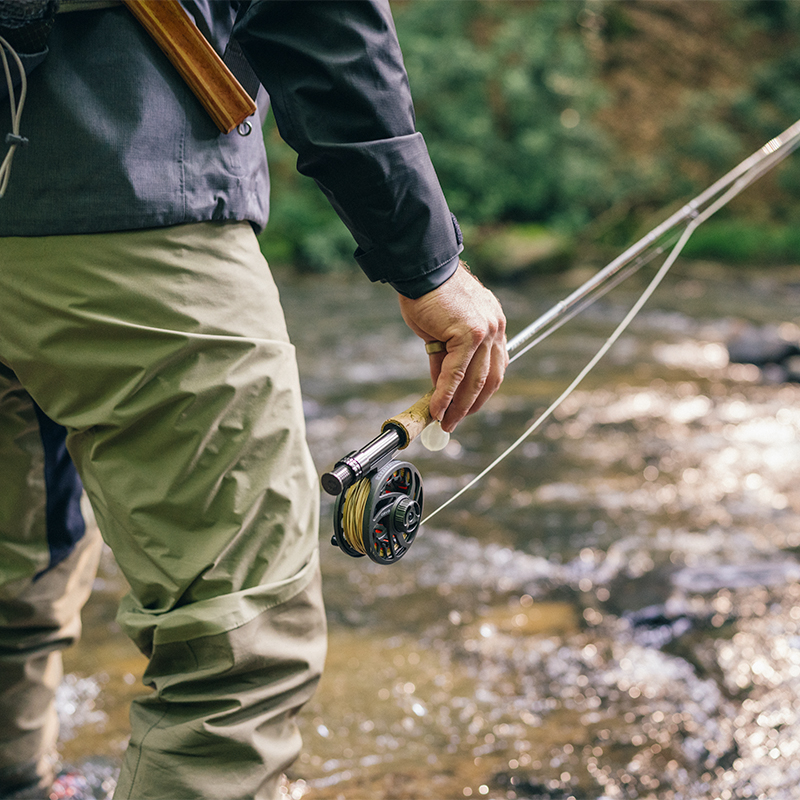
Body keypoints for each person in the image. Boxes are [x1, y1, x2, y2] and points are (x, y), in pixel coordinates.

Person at [0, 1, 507, 799]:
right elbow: (325, 22)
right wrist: (429, 263)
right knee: (237, 656)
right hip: (133, 202)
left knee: (13, 566)